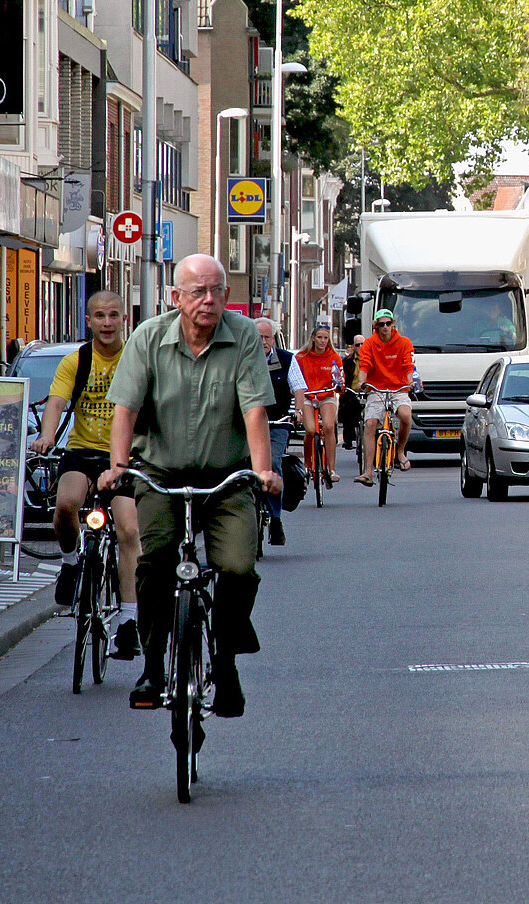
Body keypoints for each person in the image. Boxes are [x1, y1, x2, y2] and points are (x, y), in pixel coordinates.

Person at [102, 254, 279, 717]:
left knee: (238, 566)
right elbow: (126, 409)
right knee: (155, 562)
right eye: (197, 291)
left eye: (216, 290)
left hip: (226, 475)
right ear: (176, 297)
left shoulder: (243, 336)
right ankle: (155, 667)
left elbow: (254, 410)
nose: (208, 300)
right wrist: (119, 465)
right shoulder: (148, 338)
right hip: (161, 474)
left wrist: (263, 470)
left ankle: (225, 664)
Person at [30, 290, 140, 658]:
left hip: (125, 457)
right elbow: (57, 403)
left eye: (113, 315)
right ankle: (70, 562)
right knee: (65, 504)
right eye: (99, 316)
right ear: (88, 321)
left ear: (124, 319)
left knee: (127, 529)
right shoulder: (76, 361)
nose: (107, 323)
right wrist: (46, 435)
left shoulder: (136, 358)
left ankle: (128, 621)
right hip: (83, 451)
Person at [356, 308, 416, 482]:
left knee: (406, 415)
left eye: (388, 323)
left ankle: (400, 451)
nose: (385, 327)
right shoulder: (369, 344)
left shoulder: (404, 343)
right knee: (370, 424)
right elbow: (364, 366)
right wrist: (362, 382)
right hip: (377, 389)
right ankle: (368, 472)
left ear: (393, 324)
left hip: (399, 388)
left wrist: (410, 381)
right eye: (381, 324)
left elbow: (408, 367)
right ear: (376, 326)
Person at [288, 322, 344, 483]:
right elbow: (294, 381)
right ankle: (307, 464)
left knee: (328, 426)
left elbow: (340, 380)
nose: (322, 341)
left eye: (325, 338)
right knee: (311, 430)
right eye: (319, 337)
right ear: (313, 338)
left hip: (326, 396)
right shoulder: (301, 357)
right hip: (307, 396)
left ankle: (332, 469)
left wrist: (339, 386)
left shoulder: (334, 357)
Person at [255, 318, 292, 545]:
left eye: (267, 337)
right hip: (250, 425)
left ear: (273, 339)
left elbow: (298, 388)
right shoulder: (243, 359)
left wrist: (296, 412)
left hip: (278, 422)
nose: (263, 342)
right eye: (258, 338)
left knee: (274, 463)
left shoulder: (287, 360)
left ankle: (276, 519)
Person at [340, 334, 364, 450]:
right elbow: (342, 376)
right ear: (354, 346)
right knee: (348, 411)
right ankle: (348, 440)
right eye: (358, 345)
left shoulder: (370, 359)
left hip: (367, 392)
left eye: (363, 344)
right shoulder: (347, 361)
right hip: (351, 391)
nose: (360, 347)